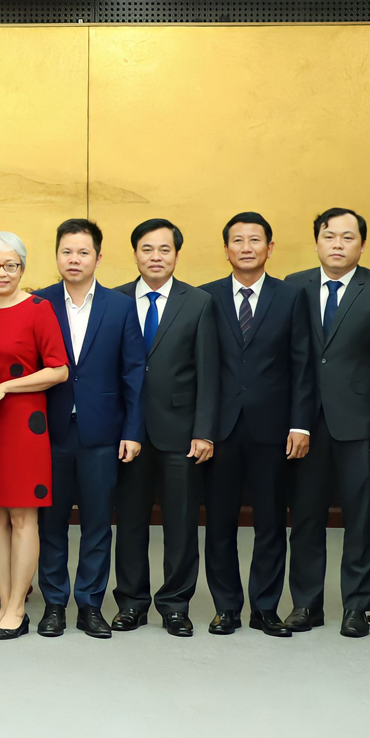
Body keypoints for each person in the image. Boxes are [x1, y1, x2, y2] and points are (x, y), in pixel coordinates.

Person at [284, 208, 370, 639]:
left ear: (362, 245)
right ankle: (306, 604)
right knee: (306, 519)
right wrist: (294, 422)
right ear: (316, 241)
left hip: (362, 423)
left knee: (361, 518)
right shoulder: (294, 286)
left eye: (347, 237)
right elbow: (290, 359)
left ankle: (355, 606)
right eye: (329, 236)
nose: (337, 244)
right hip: (306, 424)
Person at [201, 212, 314, 637]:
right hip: (221, 430)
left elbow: (302, 365)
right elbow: (202, 369)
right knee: (219, 523)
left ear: (270, 247)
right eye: (237, 240)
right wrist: (202, 428)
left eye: (255, 240)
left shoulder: (291, 296)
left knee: (270, 522)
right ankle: (226, 607)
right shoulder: (205, 297)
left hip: (274, 428)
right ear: (226, 249)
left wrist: (301, 424)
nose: (246, 247)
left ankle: (265, 607)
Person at [33, 218, 143, 639]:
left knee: (98, 523)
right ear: (57, 255)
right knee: (52, 522)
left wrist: (132, 431)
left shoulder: (119, 305)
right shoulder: (39, 303)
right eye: (66, 251)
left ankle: (90, 605)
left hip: (103, 432)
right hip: (50, 432)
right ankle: (55, 605)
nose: (74, 259)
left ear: (98, 257)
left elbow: (133, 373)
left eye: (83, 252)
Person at [110, 218, 218, 637]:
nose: (156, 257)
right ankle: (131, 602)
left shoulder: (199, 302)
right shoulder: (116, 299)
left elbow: (209, 372)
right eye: (147, 249)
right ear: (135, 253)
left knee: (180, 524)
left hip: (182, 432)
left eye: (165, 250)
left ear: (176, 254)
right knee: (131, 522)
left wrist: (204, 430)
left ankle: (175, 605)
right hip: (129, 432)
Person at [0, 231, 66, 640]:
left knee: (23, 516)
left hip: (22, 423)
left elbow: (58, 369)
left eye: (10, 265)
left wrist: (4, 388)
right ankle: (3, 604)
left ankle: (18, 609)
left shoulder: (39, 309)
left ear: (22, 267)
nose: (1, 272)